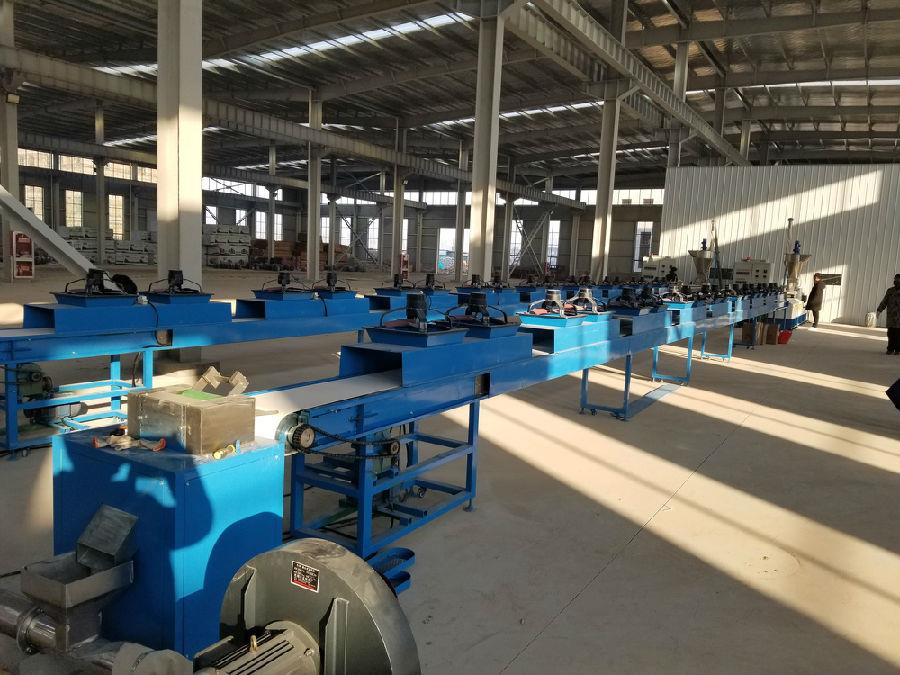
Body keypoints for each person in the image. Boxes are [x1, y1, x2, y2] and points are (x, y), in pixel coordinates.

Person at [877, 273, 900, 355]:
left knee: (898, 334)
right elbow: (885, 301)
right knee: (890, 334)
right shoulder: (890, 291)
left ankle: (897, 350)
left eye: (898, 279)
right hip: (891, 317)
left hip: (899, 319)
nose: (896, 281)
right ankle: (890, 349)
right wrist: (879, 310)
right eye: (895, 279)